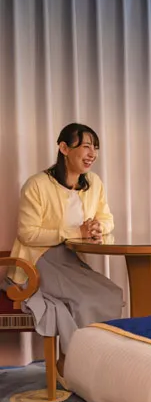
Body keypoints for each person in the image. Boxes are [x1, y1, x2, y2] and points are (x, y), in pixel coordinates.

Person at [7, 123, 123, 382]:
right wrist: (75, 231)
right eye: (86, 146)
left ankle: (93, 363)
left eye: (95, 148)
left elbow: (107, 219)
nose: (92, 154)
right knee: (83, 299)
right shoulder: (37, 185)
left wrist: (98, 227)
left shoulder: (94, 183)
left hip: (70, 260)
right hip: (38, 261)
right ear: (64, 148)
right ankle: (70, 363)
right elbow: (27, 234)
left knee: (110, 293)